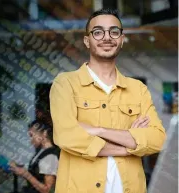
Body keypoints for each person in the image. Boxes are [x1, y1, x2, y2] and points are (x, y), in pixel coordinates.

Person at [49, 8, 166, 193]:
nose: (107, 37)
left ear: (121, 39)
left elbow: (157, 139)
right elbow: (66, 136)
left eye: (114, 31)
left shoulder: (138, 89)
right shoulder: (66, 83)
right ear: (87, 41)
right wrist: (128, 145)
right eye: (98, 32)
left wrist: (98, 130)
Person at [9, 120, 59, 193]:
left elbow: (47, 190)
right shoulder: (41, 151)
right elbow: (37, 172)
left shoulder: (50, 157)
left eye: (31, 135)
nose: (30, 140)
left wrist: (25, 174)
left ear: (44, 133)